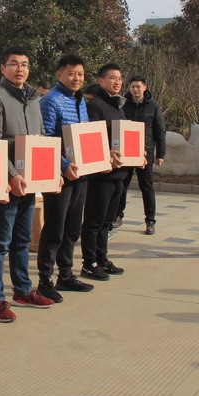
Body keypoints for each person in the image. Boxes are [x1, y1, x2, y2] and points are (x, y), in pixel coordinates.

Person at [0, 46, 55, 323]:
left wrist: (50, 171)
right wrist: (10, 174)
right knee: (0, 242)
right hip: (7, 183)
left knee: (23, 240)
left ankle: (22, 291)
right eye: (13, 64)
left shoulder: (34, 98)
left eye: (24, 64)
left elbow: (41, 138)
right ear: (3, 68)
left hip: (30, 181)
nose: (19, 69)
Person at [36, 53, 95, 303]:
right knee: (55, 228)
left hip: (80, 174)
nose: (76, 78)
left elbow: (86, 136)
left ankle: (66, 275)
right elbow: (47, 138)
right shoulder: (51, 100)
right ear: (59, 74)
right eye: (71, 73)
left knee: (72, 227)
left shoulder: (80, 101)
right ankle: (44, 280)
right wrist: (63, 165)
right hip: (59, 175)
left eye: (80, 74)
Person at [80, 63, 127, 281]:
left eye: (119, 79)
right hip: (101, 175)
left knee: (107, 222)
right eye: (112, 78)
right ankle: (89, 263)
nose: (117, 82)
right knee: (94, 221)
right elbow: (92, 139)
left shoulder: (118, 106)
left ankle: (102, 258)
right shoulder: (95, 106)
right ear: (101, 81)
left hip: (119, 173)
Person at [116, 75, 166, 235]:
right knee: (122, 185)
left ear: (145, 87)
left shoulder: (153, 106)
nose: (135, 89)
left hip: (146, 152)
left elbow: (160, 131)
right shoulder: (123, 105)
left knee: (147, 187)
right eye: (133, 86)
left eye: (138, 86)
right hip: (126, 152)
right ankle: (118, 215)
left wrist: (160, 153)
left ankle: (150, 220)